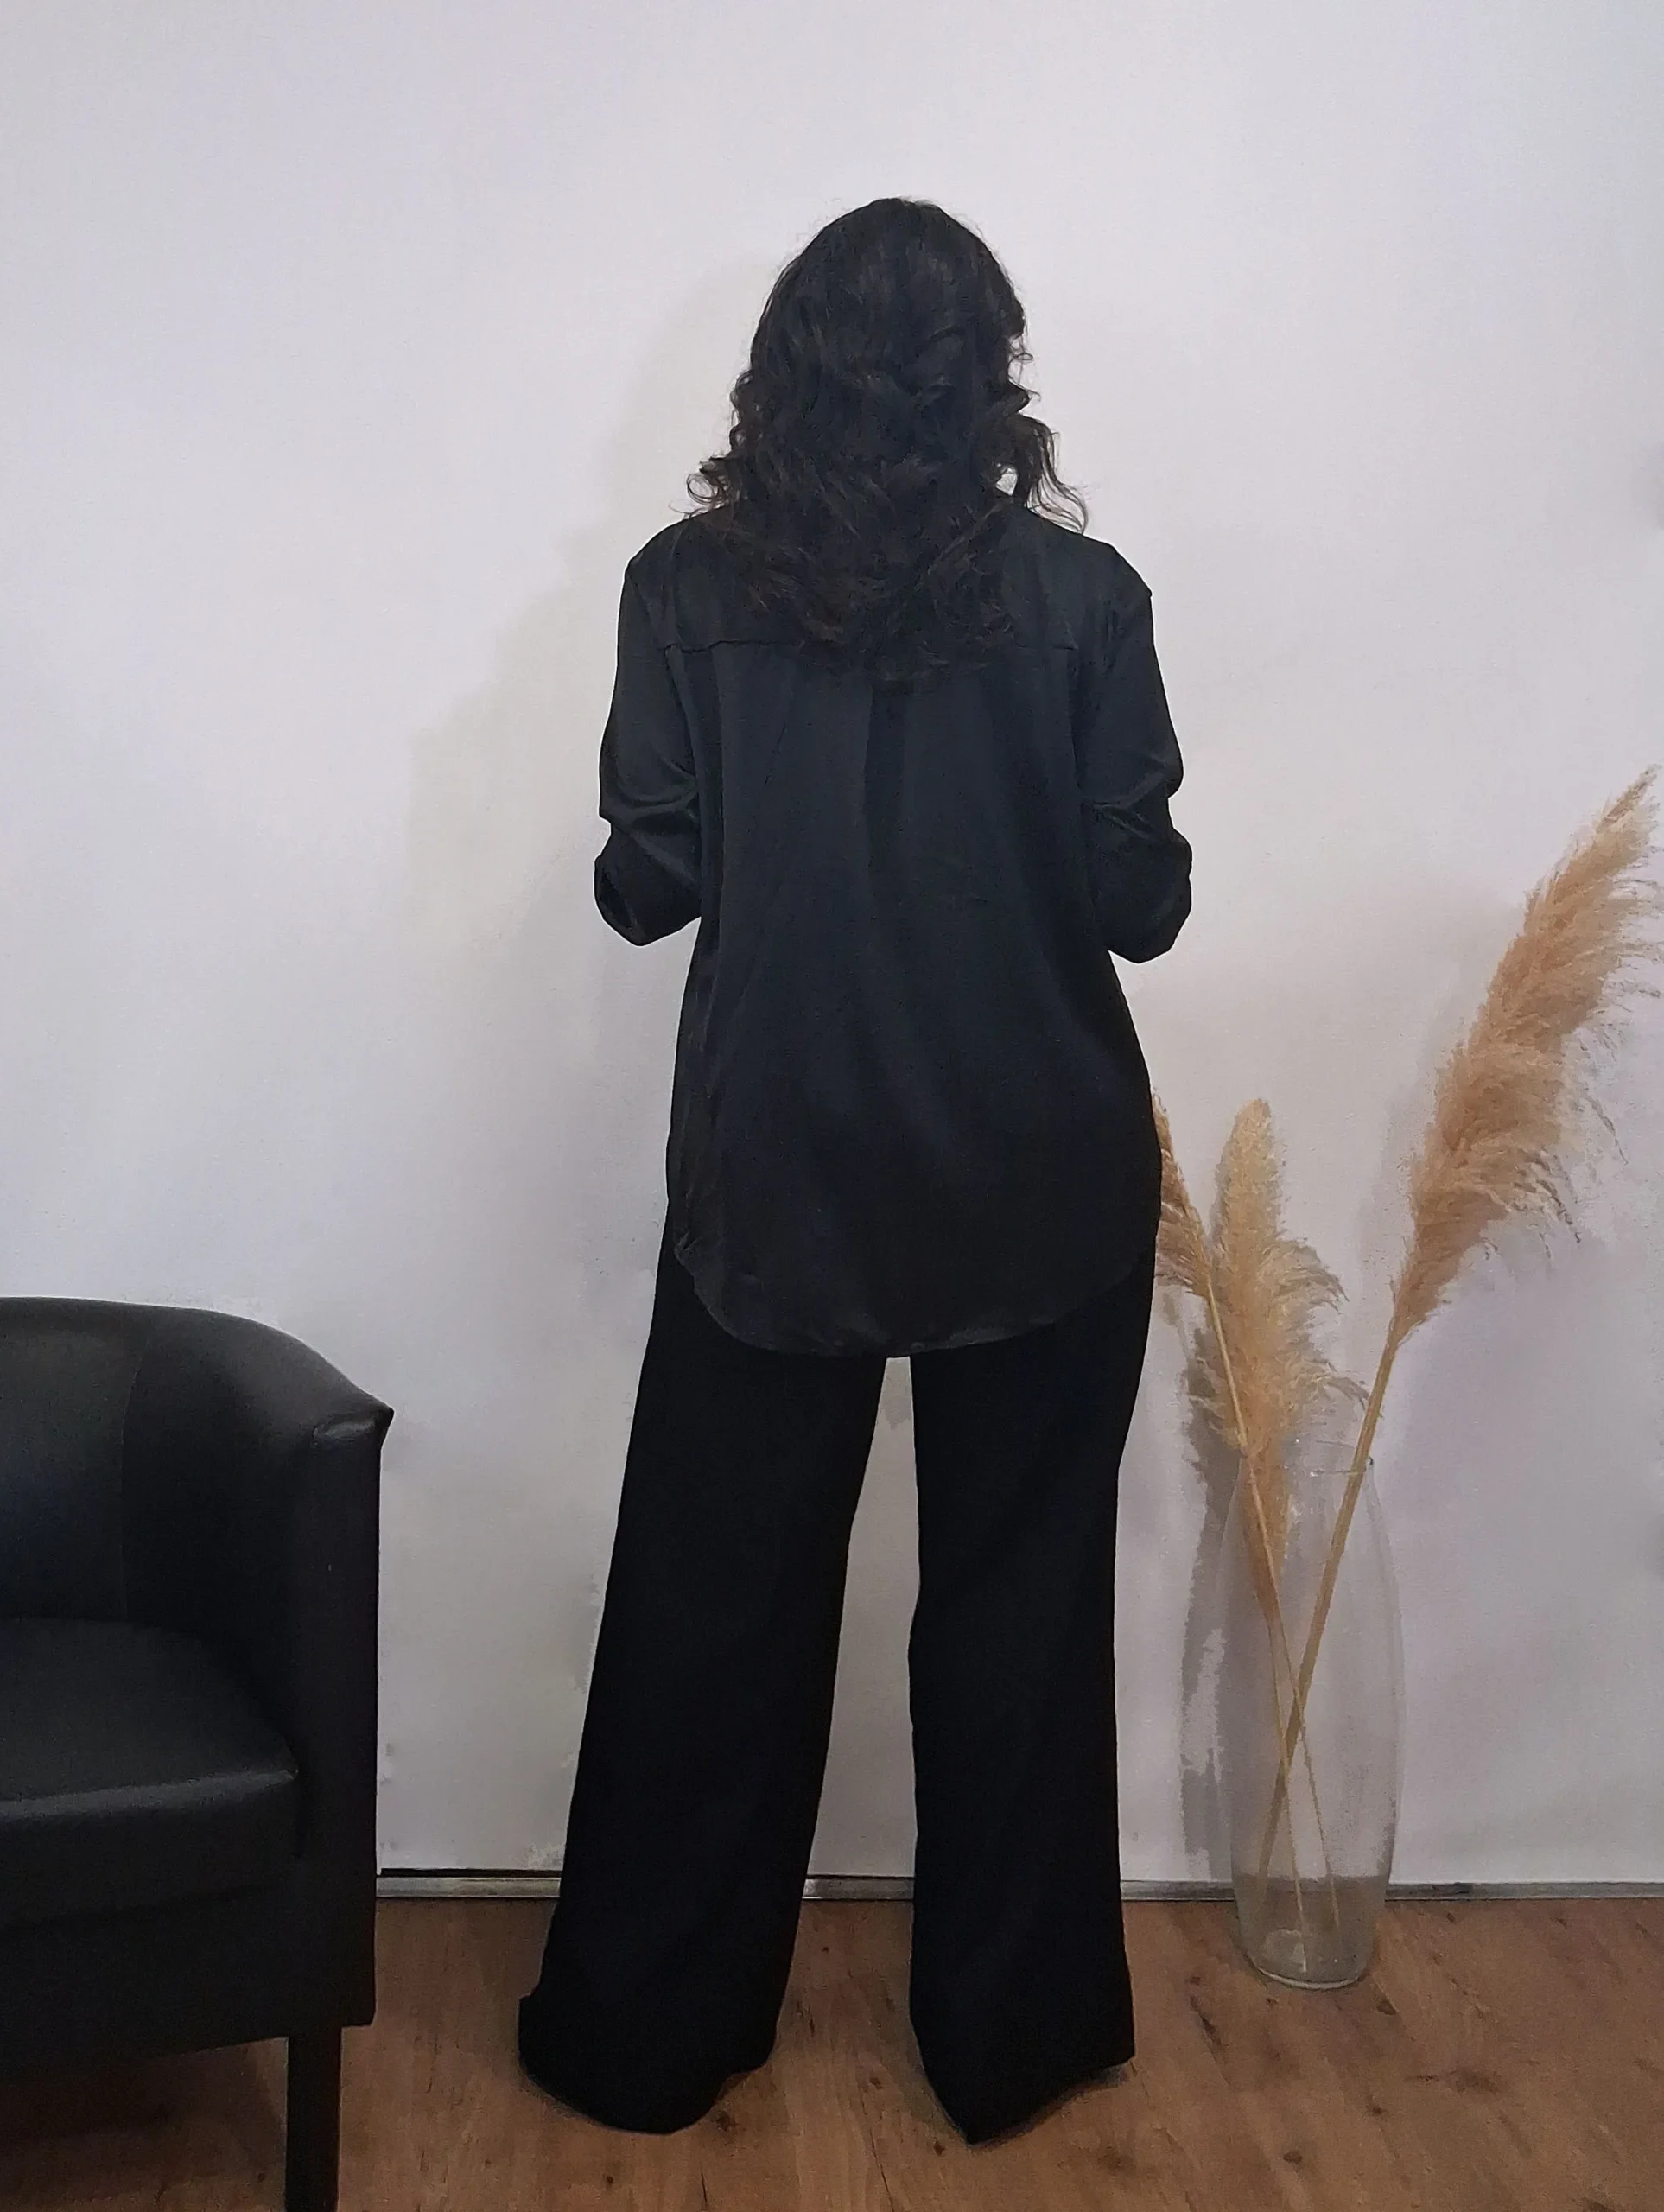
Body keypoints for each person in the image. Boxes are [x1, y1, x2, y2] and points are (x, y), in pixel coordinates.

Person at [517, 195, 1192, 2147]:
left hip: (777, 1177)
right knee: (1019, 1621)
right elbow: (1141, 903)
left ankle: (646, 2035)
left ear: (781, 374)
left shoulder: (680, 587)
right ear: (987, 379)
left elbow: (647, 883)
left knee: (709, 1616)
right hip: (1035, 1178)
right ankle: (1011, 2043)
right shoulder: (1087, 600)